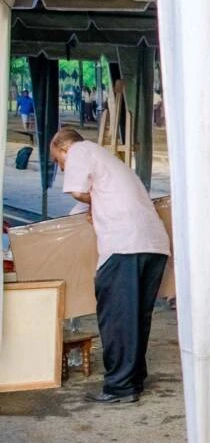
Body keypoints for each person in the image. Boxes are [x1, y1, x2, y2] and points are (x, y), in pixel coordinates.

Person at [49, 127, 170, 404]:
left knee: (117, 317)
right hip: (154, 245)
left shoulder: (81, 150)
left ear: (64, 148)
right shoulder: (111, 165)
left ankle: (119, 387)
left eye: (59, 160)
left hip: (125, 244)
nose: (62, 166)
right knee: (137, 317)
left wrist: (93, 202)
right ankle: (134, 380)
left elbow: (77, 193)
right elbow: (78, 213)